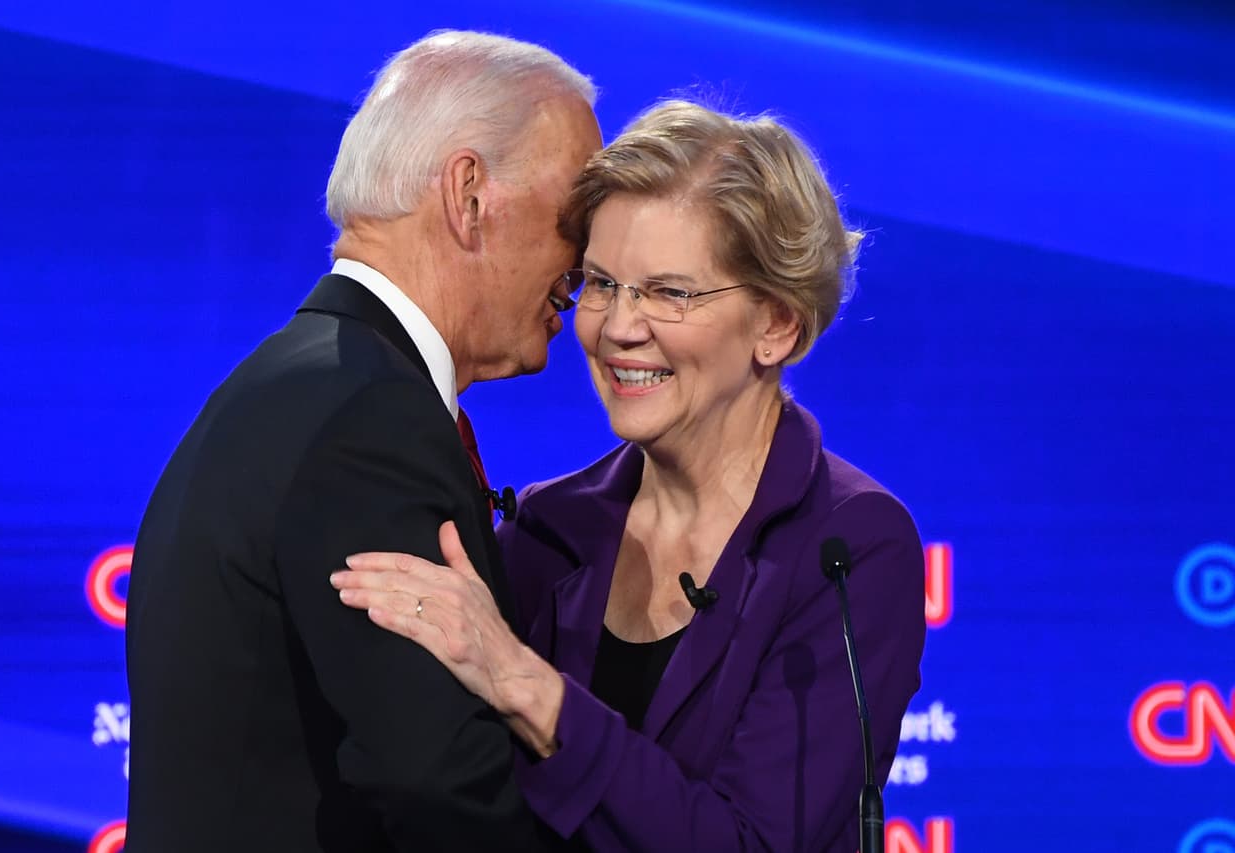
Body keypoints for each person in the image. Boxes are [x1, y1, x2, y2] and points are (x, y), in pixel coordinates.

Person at [330, 100, 927, 852]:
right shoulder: (544, 534)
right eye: (602, 283)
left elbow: (756, 845)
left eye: (669, 292)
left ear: (777, 323)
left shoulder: (848, 549)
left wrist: (533, 691)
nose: (617, 326)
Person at [124, 31, 601, 852]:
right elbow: (439, 782)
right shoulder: (368, 420)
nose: (586, 258)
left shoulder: (308, 382)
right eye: (576, 214)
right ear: (470, 195)